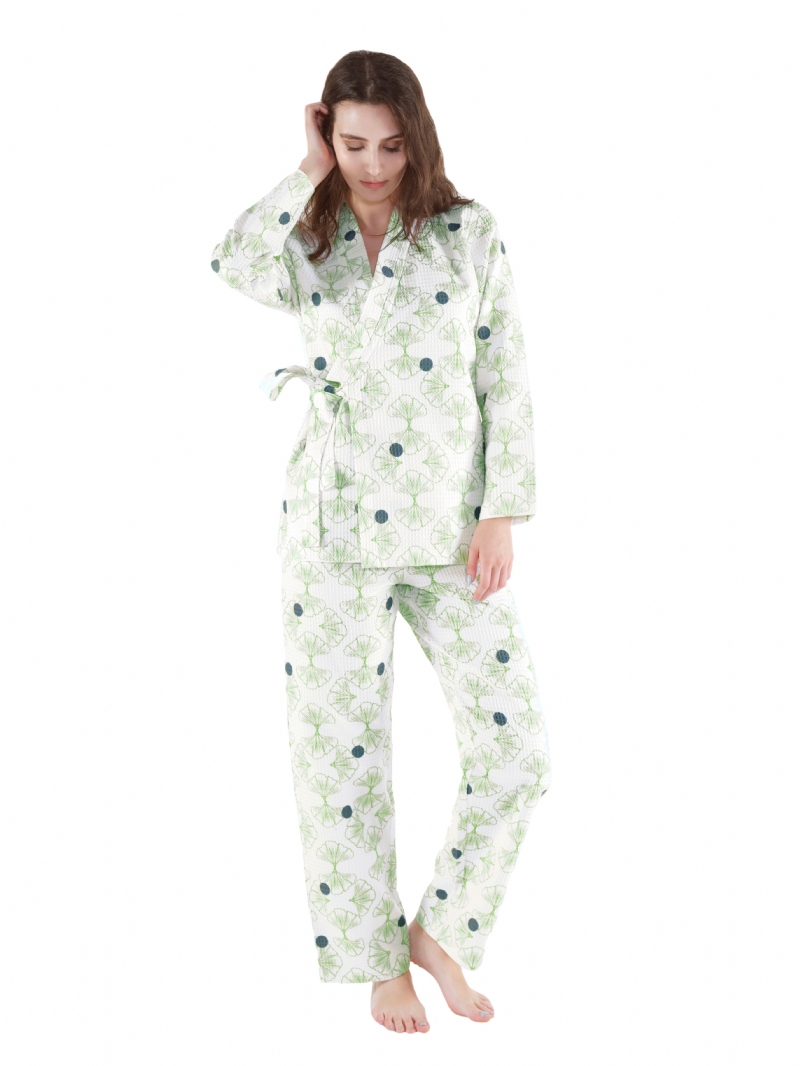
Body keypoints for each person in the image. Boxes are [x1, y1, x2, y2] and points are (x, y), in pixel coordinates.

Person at [210, 49, 552, 1035]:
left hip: (451, 527)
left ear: (418, 138)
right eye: (353, 144)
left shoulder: (466, 234)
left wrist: (502, 510)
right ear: (330, 134)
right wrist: (307, 169)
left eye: (390, 146)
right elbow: (231, 263)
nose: (372, 165)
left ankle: (441, 929)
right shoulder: (307, 236)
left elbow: (504, 374)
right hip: (332, 522)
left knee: (517, 747)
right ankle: (373, 961)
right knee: (340, 757)